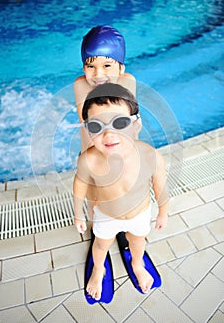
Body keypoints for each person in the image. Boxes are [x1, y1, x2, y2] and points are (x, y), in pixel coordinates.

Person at [73, 83, 169, 301]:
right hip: (106, 216)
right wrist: (78, 213)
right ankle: (99, 270)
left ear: (136, 125)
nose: (109, 134)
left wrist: (163, 211)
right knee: (100, 245)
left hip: (140, 214)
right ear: (88, 130)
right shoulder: (89, 160)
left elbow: (161, 185)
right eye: (97, 126)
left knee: (138, 243)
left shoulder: (150, 156)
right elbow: (79, 184)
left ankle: (138, 263)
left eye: (120, 123)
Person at [73, 25, 136, 153]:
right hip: (92, 152)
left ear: (121, 68)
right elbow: (88, 129)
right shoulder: (81, 85)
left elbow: (132, 126)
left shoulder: (127, 81)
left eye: (107, 65)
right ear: (84, 68)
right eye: (91, 66)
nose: (98, 74)